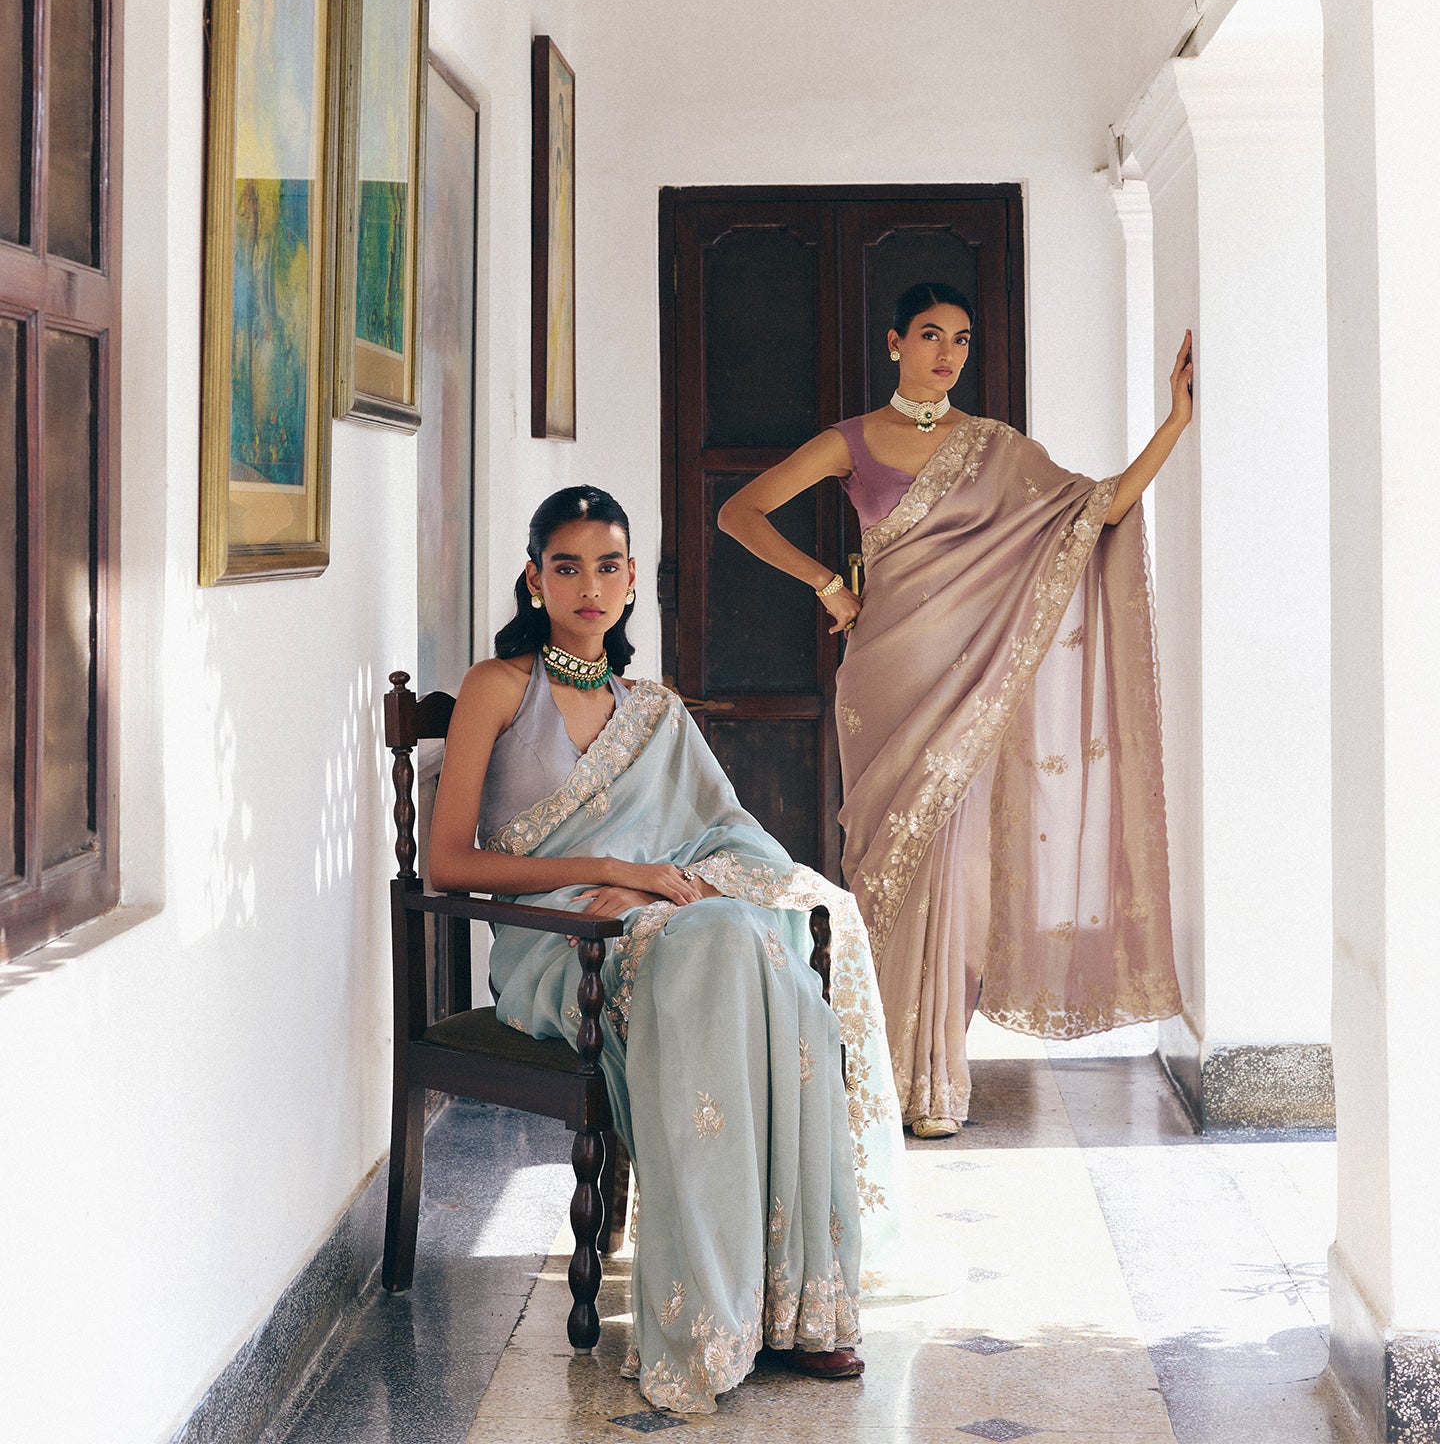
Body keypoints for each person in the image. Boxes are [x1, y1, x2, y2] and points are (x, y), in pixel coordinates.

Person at [429, 485, 903, 1416]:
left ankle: (793, 1308)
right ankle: (712, 1320)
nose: (588, 586)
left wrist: (654, 883)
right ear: (533, 579)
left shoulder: (653, 709)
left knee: (744, 936)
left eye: (608, 566)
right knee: (717, 951)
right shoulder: (499, 687)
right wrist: (613, 867)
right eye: (566, 567)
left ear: (634, 579)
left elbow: (730, 838)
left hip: (658, 923)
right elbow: (450, 863)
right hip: (558, 943)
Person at [717, 283, 1188, 1137]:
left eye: (962, 340)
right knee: (884, 867)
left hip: (968, 692)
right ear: (894, 341)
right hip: (885, 680)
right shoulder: (851, 442)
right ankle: (870, 1073)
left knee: (961, 876)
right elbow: (738, 512)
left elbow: (1098, 510)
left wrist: (1175, 424)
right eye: (930, 335)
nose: (947, 353)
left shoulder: (996, 449)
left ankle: (931, 1079)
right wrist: (828, 581)